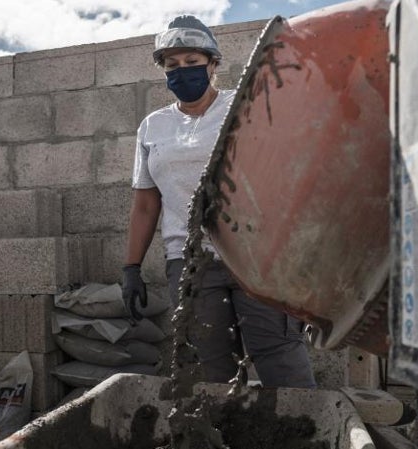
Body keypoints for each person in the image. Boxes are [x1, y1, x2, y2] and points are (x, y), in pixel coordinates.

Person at [122, 15, 315, 388]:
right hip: (191, 264)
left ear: (213, 64)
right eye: (172, 65)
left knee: (281, 361)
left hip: (255, 257)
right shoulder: (152, 127)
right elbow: (147, 204)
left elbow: (285, 177)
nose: (182, 72)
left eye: (192, 62)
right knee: (209, 374)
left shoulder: (244, 106)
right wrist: (131, 267)